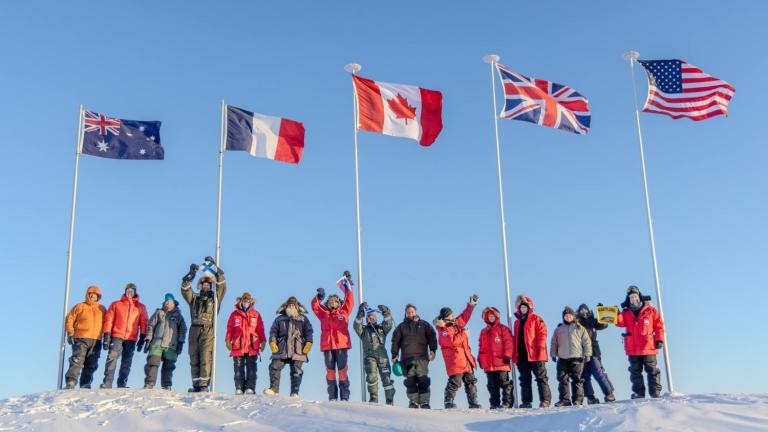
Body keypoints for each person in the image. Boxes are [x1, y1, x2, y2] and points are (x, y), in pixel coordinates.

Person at [180, 258, 227, 392]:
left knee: (205, 357)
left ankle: (203, 385)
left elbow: (222, 285)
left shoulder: (215, 299)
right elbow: (185, 290)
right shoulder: (194, 299)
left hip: (208, 329)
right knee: (193, 357)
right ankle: (195, 384)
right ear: (200, 286)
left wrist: (216, 270)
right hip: (194, 329)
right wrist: (189, 277)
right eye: (203, 284)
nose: (206, 286)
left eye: (208, 284)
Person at [616, 285, 666, 399]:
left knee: (652, 370)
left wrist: (659, 339)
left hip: (648, 346)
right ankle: (639, 394)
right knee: (635, 372)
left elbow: (659, 326)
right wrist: (616, 313)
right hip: (632, 348)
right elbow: (619, 323)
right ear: (628, 299)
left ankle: (655, 393)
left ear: (639, 297)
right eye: (631, 297)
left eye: (635, 296)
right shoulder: (625, 312)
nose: (633, 299)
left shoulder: (651, 311)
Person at [311, 272, 354, 401]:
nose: (332, 303)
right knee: (330, 371)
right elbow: (314, 306)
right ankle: (332, 396)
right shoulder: (323, 314)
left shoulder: (344, 311)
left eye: (335, 301)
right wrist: (318, 297)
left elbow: (349, 300)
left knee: (342, 371)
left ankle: (345, 396)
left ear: (338, 302)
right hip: (327, 346)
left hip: (342, 345)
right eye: (329, 301)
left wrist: (348, 285)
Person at [434, 295, 481, 409]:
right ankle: (448, 401)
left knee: (470, 381)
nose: (453, 315)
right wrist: (464, 334)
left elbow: (464, 317)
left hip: (465, 358)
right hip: (455, 360)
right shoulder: (443, 330)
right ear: (445, 317)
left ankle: (473, 402)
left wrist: (471, 305)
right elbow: (451, 341)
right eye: (450, 314)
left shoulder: (455, 323)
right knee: (455, 382)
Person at [100, 283, 148, 389]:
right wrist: (107, 336)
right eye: (128, 291)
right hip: (117, 335)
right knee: (112, 357)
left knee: (127, 361)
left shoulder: (140, 307)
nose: (130, 293)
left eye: (132, 291)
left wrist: (142, 338)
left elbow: (143, 323)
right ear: (125, 292)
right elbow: (109, 320)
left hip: (131, 338)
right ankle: (107, 382)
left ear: (135, 292)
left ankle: (122, 383)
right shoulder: (116, 304)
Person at [391, 303, 438, 409]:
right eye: (408, 312)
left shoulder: (424, 324)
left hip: (422, 358)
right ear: (406, 314)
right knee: (410, 380)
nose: (410, 313)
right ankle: (414, 402)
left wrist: (433, 350)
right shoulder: (401, 327)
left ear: (416, 312)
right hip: (407, 359)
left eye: (412, 311)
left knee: (423, 379)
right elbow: (395, 341)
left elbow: (432, 337)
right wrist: (394, 354)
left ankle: (425, 402)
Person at [265, 296, 313, 397]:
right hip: (282, 348)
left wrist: (309, 342)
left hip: (298, 349)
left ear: (297, 307)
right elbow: (273, 332)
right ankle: (274, 389)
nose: (291, 306)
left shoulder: (303, 319)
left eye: (293, 305)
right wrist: (272, 342)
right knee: (274, 366)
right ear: (286, 306)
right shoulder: (279, 319)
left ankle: (295, 392)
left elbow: (309, 332)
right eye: (289, 305)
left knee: (297, 370)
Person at [64, 285, 107, 389]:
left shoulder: (102, 309)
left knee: (91, 363)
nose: (93, 296)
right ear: (87, 295)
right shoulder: (79, 306)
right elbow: (70, 319)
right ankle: (71, 381)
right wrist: (70, 332)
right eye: (91, 294)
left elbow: (107, 323)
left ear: (98, 297)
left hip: (96, 340)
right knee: (77, 360)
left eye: (95, 294)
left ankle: (85, 383)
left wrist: (106, 337)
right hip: (81, 337)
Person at [512, 294, 552, 408]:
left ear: (529, 307)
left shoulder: (536, 319)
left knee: (541, 378)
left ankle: (545, 400)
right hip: (522, 356)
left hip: (535, 354)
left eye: (525, 306)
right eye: (521, 307)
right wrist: (515, 354)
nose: (523, 309)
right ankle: (526, 401)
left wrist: (540, 347)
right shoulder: (517, 322)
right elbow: (516, 339)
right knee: (525, 380)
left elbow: (542, 333)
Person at [353, 302, 395, 405]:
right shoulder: (363, 330)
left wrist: (385, 312)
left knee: (386, 378)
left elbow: (389, 323)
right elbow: (356, 325)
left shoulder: (382, 329)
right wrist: (360, 314)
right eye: (368, 318)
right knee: (371, 376)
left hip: (382, 357)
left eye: (372, 318)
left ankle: (389, 398)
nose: (370, 319)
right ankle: (373, 397)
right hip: (369, 357)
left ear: (376, 319)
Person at [143, 293, 187, 390]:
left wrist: (181, 342)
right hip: (157, 343)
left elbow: (183, 330)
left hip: (171, 345)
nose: (168, 304)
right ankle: (149, 383)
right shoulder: (159, 313)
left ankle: (166, 385)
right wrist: (148, 339)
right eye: (167, 302)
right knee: (152, 363)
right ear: (164, 303)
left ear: (174, 303)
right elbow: (150, 326)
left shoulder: (178, 316)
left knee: (169, 366)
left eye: (170, 302)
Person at [225, 292, 266, 395]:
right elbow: (230, 329)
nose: (246, 303)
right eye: (244, 301)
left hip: (252, 346)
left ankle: (250, 387)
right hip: (238, 345)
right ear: (241, 301)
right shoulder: (234, 314)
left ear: (251, 302)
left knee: (251, 368)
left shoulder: (256, 315)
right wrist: (227, 340)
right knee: (238, 367)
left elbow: (260, 329)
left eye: (248, 301)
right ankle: (239, 387)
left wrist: (263, 340)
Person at [550, 306, 592, 407]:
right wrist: (553, 354)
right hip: (563, 358)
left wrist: (587, 354)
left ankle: (578, 400)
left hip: (577, 357)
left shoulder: (579, 328)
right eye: (566, 316)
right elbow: (554, 343)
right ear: (563, 317)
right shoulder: (559, 329)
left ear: (573, 316)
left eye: (570, 315)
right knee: (562, 379)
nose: (568, 317)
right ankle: (565, 400)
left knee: (577, 379)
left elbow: (586, 342)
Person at [576, 303, 615, 403]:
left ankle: (609, 393)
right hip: (581, 351)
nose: (584, 311)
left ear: (588, 311)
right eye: (581, 310)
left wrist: (603, 311)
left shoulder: (592, 320)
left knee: (598, 372)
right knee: (585, 375)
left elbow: (603, 324)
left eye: (585, 309)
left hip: (594, 351)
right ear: (579, 312)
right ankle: (590, 397)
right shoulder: (576, 322)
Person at [477, 306, 515, 409]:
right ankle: (494, 404)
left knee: (504, 383)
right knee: (492, 386)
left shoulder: (503, 329)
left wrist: (507, 355)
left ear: (496, 317)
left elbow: (509, 343)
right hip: (489, 364)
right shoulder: (483, 332)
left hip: (501, 362)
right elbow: (481, 347)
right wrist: (480, 358)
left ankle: (507, 402)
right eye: (489, 316)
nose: (491, 318)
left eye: (493, 316)